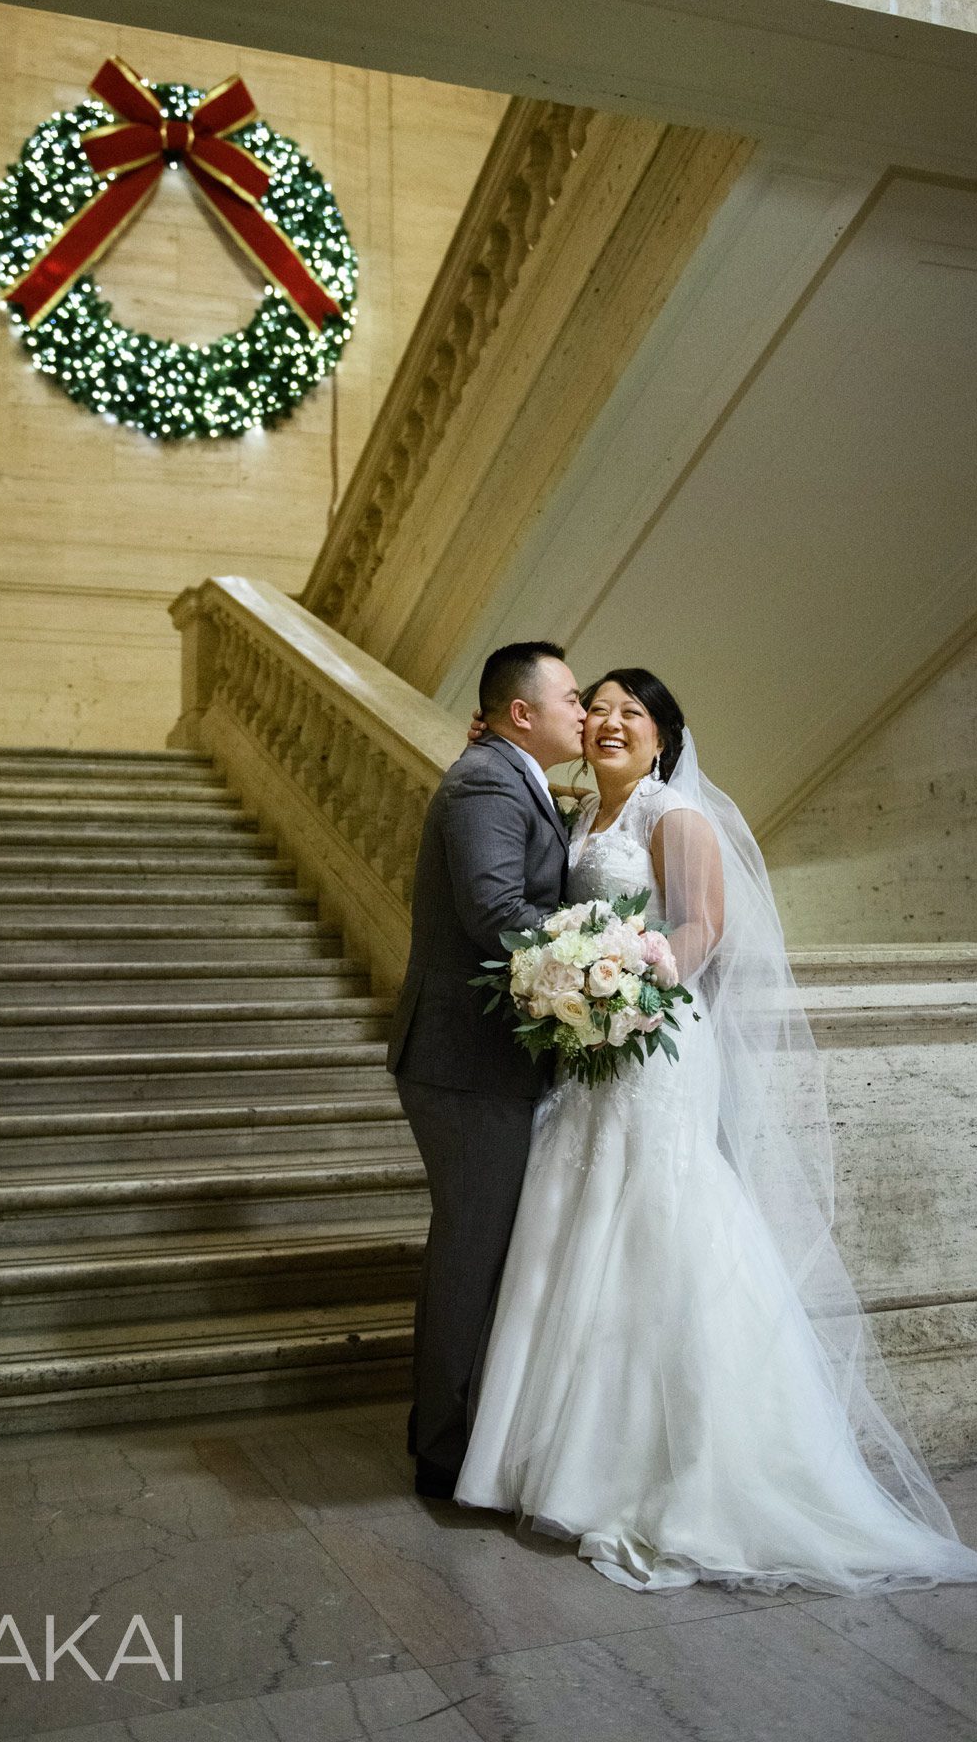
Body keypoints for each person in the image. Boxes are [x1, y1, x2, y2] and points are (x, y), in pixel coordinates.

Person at [455, 668, 977, 1593]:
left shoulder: (675, 817)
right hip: (590, 1048)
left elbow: (703, 926)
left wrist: (624, 988)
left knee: (662, 1221)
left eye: (634, 714)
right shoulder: (576, 815)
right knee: (574, 1212)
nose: (612, 723)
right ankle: (547, 1457)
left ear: (663, 737)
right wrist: (577, 991)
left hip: (651, 1041)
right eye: (602, 710)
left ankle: (686, 1467)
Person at [389, 640, 584, 1498]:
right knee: (470, 1249)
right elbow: (496, 911)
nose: (584, 712)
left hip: (486, 1059)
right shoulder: (484, 781)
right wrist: (603, 969)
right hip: (466, 1059)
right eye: (573, 698)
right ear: (521, 713)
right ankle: (442, 1450)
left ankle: (457, 1429)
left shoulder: (513, 777)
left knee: (482, 1247)